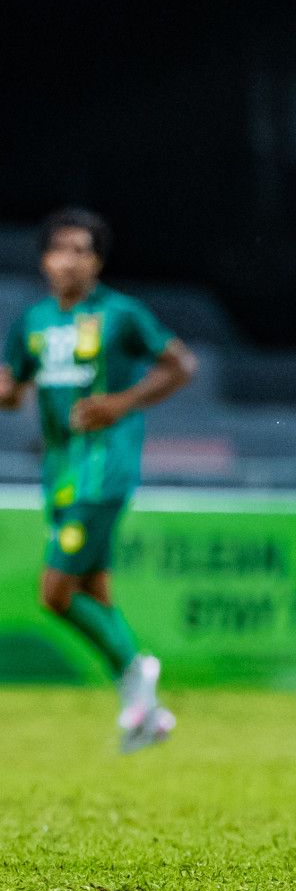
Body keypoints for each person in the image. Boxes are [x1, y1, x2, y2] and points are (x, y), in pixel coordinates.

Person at [0, 208, 197, 752]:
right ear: (44, 260)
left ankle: (137, 668)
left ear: (98, 262)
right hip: (59, 473)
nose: (69, 260)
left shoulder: (121, 314)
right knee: (93, 591)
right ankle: (145, 717)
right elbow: (12, 390)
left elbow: (181, 365)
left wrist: (121, 403)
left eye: (81, 251)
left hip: (104, 470)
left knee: (54, 594)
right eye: (59, 249)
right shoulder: (33, 322)